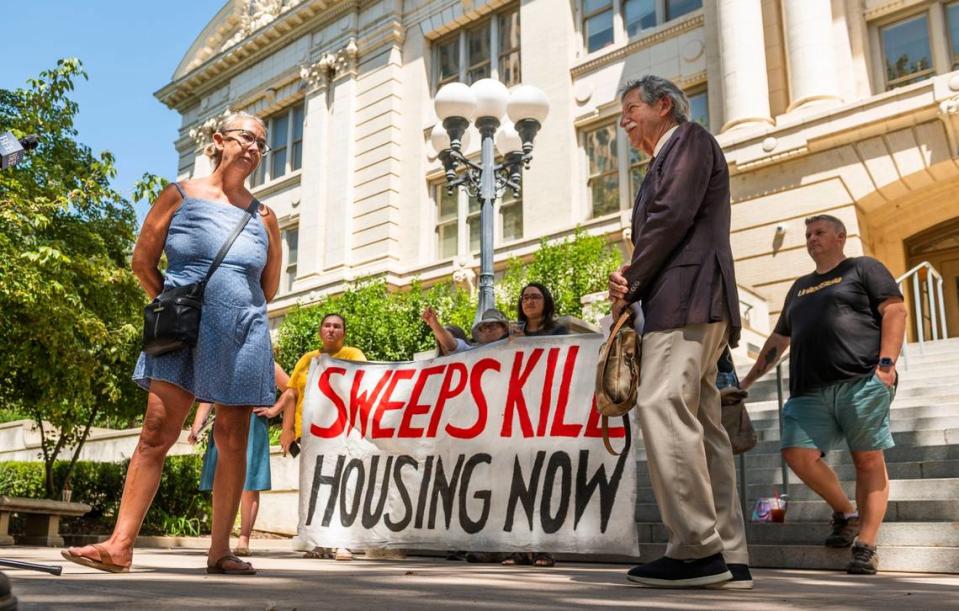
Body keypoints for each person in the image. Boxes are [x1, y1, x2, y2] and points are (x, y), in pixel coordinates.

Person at [62, 112, 281, 575]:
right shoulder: (178, 195)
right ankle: (119, 546)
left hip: (242, 334)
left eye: (262, 143)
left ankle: (220, 550)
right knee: (155, 433)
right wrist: (174, 307)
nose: (255, 149)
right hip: (183, 332)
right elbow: (143, 262)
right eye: (247, 139)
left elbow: (269, 287)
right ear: (218, 141)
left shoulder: (265, 217)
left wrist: (232, 307)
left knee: (233, 439)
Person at [607, 75, 750, 589]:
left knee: (661, 403)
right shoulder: (657, 164)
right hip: (692, 300)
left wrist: (631, 278)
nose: (623, 120)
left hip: (686, 299)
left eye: (630, 108)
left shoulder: (688, 140)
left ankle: (694, 549)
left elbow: (670, 218)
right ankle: (731, 556)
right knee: (704, 425)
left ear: (663, 105)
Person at [739, 215, 906, 575]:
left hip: (860, 380)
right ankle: (846, 512)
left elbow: (894, 309)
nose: (812, 239)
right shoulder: (799, 287)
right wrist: (747, 382)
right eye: (808, 235)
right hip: (808, 389)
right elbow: (779, 340)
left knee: (867, 461)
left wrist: (886, 366)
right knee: (796, 453)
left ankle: (866, 543)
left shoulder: (863, 268)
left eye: (820, 233)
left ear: (840, 237)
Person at [280, 313, 366, 561]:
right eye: (327, 325)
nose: (331, 330)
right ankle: (319, 542)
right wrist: (287, 430)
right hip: (309, 436)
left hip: (342, 433)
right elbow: (291, 395)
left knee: (342, 485)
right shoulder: (307, 359)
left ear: (344, 333)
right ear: (320, 330)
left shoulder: (353, 355)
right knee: (315, 488)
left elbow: (364, 383)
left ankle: (343, 542)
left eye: (337, 326)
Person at [189, 362, 290, 556]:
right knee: (221, 482)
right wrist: (197, 425)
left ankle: (244, 538)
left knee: (249, 483)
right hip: (225, 421)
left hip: (253, 423)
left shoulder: (266, 363)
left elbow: (290, 388)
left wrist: (273, 410)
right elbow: (208, 398)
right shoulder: (223, 361)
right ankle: (219, 540)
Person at [501, 283, 569, 568]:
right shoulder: (513, 333)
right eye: (525, 297)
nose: (529, 301)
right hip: (519, 415)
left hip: (547, 414)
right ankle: (520, 548)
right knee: (517, 482)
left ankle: (544, 548)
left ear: (546, 301)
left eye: (535, 297)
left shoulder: (559, 332)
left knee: (544, 481)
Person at [422, 307, 509, 354]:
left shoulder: (517, 346)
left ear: (504, 329)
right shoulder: (473, 352)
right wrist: (434, 323)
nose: (487, 330)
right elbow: (451, 344)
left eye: (492, 325)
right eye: (484, 327)